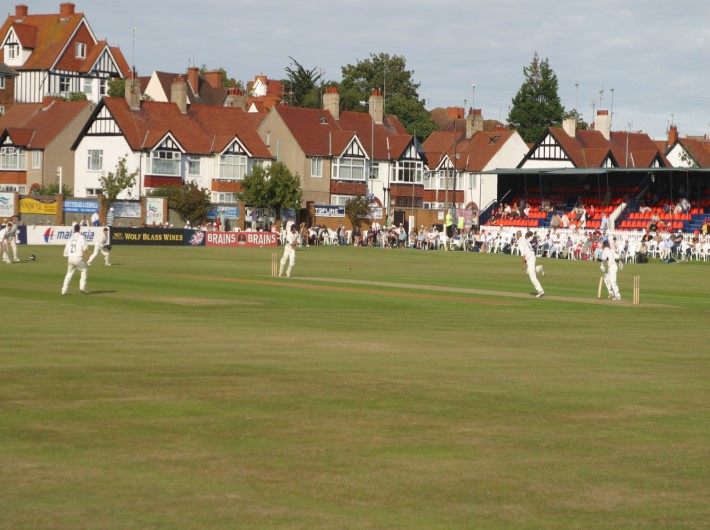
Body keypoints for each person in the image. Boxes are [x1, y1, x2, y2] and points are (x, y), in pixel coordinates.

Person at [61, 224, 89, 295]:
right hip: (78, 258)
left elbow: (66, 251)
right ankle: (82, 287)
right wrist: (87, 256)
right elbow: (85, 248)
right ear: (79, 230)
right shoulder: (81, 237)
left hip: (70, 258)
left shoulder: (70, 238)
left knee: (68, 274)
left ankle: (64, 290)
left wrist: (67, 255)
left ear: (74, 230)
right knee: (84, 270)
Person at [516, 230, 544, 298]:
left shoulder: (520, 242)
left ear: (517, 235)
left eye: (516, 235)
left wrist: (523, 264)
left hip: (530, 258)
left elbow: (523, 254)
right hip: (531, 256)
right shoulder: (524, 239)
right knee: (529, 272)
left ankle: (540, 291)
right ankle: (538, 268)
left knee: (532, 277)